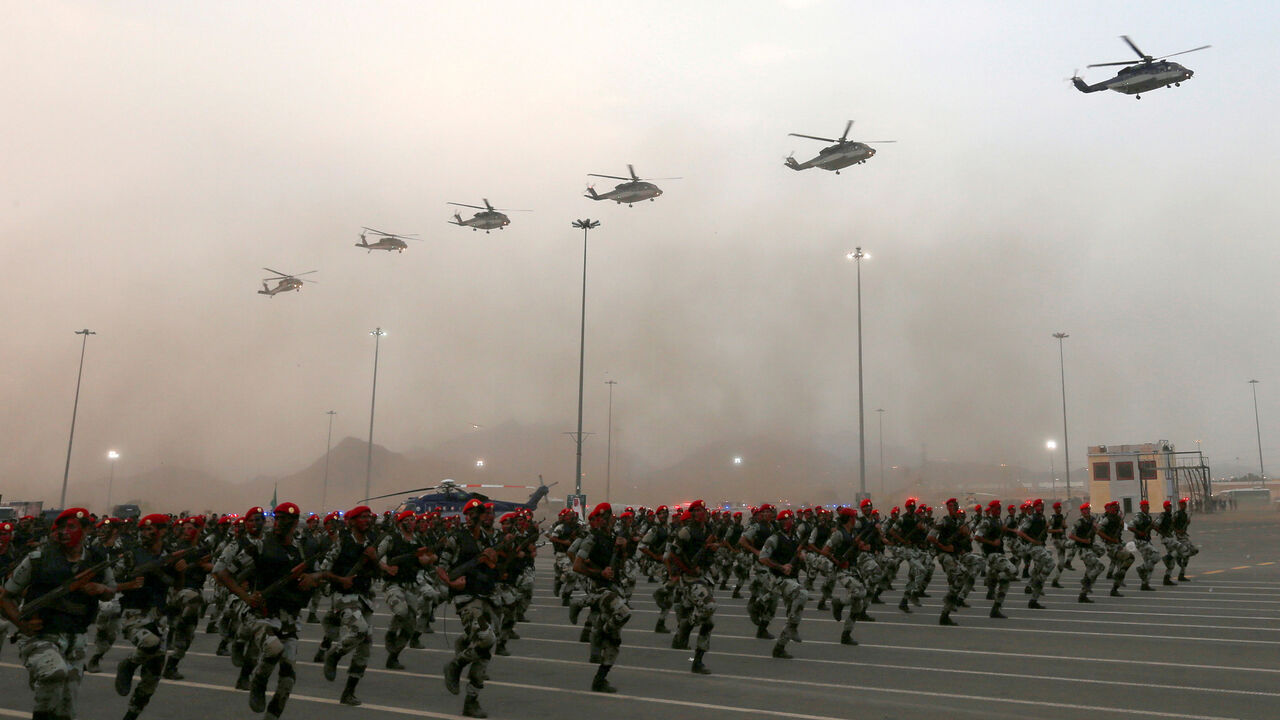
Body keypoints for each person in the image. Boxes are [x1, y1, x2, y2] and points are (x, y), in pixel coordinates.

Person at [0, 508, 114, 720]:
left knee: (66, 709)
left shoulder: (97, 560)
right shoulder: (38, 559)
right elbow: (6, 596)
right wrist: (21, 625)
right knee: (54, 672)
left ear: (86, 530)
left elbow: (111, 590)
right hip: (41, 635)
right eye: (61, 527)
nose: (64, 532)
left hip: (76, 639)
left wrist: (100, 589)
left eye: (71, 527)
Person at [234, 502, 324, 719]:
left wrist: (312, 578)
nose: (280, 523)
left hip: (290, 616)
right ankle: (258, 681)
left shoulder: (302, 548)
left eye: (286, 520)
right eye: (278, 518)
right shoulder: (262, 545)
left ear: (295, 524)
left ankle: (273, 715)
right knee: (273, 648)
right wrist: (246, 594)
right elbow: (231, 572)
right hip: (264, 611)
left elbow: (320, 573)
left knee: (288, 679)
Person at [319, 505, 386, 706]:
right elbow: (323, 570)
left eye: (369, 517)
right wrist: (340, 580)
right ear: (353, 521)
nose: (368, 520)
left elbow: (379, 573)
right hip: (344, 596)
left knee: (365, 648)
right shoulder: (342, 541)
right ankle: (334, 654)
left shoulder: (371, 543)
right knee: (360, 630)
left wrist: (374, 560)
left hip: (364, 597)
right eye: (363, 517)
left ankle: (349, 692)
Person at [115, 513, 179, 720]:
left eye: (151, 529)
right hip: (134, 614)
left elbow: (177, 585)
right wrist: (128, 585)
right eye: (143, 529)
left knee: (152, 677)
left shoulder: (171, 555)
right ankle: (129, 664)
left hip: (159, 617)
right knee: (150, 643)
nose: (146, 533)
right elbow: (110, 583)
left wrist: (181, 571)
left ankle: (131, 715)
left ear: (163, 531)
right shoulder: (132, 556)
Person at [442, 498, 500, 718]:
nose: (483, 516)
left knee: (485, 653)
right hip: (466, 599)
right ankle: (455, 665)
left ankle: (471, 701)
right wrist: (451, 583)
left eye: (484, 513)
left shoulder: (487, 539)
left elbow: (494, 567)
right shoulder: (456, 538)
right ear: (467, 516)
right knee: (486, 638)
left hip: (485, 595)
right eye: (476, 513)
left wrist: (493, 561)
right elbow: (441, 568)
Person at [573, 503, 632, 692]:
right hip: (599, 588)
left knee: (614, 642)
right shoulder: (592, 538)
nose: (611, 519)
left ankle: (600, 679)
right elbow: (577, 565)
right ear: (600, 519)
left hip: (613, 587)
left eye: (610, 516)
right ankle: (583, 604)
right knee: (623, 612)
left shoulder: (614, 538)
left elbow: (621, 566)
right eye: (607, 517)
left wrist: (623, 550)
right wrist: (600, 573)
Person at [377, 510, 435, 670]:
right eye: (407, 519)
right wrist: (386, 567)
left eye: (412, 519)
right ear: (400, 522)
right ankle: (390, 633)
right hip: (393, 584)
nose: (411, 522)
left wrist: (428, 560)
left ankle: (393, 656)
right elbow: (377, 555)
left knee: (410, 626)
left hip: (411, 585)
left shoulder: (417, 540)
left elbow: (425, 559)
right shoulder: (391, 539)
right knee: (401, 611)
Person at [667, 500, 717, 674]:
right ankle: (686, 626)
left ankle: (698, 661)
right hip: (689, 579)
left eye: (703, 509)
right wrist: (688, 569)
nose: (701, 513)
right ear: (693, 514)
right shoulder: (686, 531)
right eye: (697, 510)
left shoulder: (708, 530)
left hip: (703, 576)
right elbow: (674, 554)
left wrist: (712, 547)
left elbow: (710, 550)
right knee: (709, 606)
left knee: (708, 623)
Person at [757, 509, 806, 658]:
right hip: (779, 579)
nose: (786, 523)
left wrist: (801, 557)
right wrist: (780, 567)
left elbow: (796, 553)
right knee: (802, 594)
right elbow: (763, 558)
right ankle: (760, 602)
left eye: (788, 520)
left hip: (792, 578)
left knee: (794, 614)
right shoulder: (775, 538)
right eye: (783, 521)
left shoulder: (794, 538)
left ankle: (780, 647)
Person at [821, 506, 870, 644]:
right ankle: (839, 602)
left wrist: (862, 547)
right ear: (849, 519)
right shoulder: (839, 534)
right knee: (858, 592)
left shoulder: (853, 533)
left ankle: (846, 634)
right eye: (853, 518)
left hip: (854, 569)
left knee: (858, 605)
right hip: (842, 571)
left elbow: (856, 546)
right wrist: (836, 560)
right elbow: (825, 550)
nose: (855, 520)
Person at [929, 499, 970, 625]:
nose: (953, 508)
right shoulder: (944, 521)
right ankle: (947, 609)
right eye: (950, 506)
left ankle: (947, 610)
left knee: (961, 578)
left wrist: (965, 533)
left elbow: (967, 538)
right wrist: (943, 546)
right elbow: (930, 537)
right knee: (958, 576)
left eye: (955, 506)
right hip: (944, 555)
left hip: (955, 554)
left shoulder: (959, 522)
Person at [974, 501, 1015, 618]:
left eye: (1000, 509)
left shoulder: (998, 521)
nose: (999, 511)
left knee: (1005, 581)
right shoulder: (986, 521)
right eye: (997, 509)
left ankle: (996, 607)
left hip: (999, 553)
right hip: (991, 554)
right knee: (1012, 570)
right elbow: (977, 536)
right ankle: (991, 579)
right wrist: (991, 542)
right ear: (991, 510)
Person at [1014, 499, 1053, 609]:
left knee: (1038, 568)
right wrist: (1032, 541)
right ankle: (1037, 582)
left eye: (1042, 505)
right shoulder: (1031, 518)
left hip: (1040, 546)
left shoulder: (1042, 518)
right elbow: (1020, 532)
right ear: (1035, 507)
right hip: (1033, 547)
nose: (1041, 507)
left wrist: (1046, 528)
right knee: (1050, 563)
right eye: (1039, 506)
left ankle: (1033, 599)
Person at [1096, 502, 1134, 597]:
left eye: (1117, 508)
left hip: (1118, 544)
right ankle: (1117, 576)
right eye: (1114, 508)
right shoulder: (1106, 519)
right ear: (1110, 508)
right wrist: (1110, 539)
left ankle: (1115, 587)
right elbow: (1098, 531)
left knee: (1122, 564)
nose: (1116, 509)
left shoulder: (1117, 518)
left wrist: (1121, 524)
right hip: (1111, 546)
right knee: (1129, 558)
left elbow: (1124, 528)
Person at [1068, 503, 1104, 603]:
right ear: (1081, 511)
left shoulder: (1092, 520)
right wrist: (1083, 540)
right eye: (1085, 510)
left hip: (1090, 548)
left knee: (1090, 570)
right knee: (1100, 566)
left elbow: (1097, 530)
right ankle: (1086, 580)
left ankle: (1083, 595)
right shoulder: (1079, 522)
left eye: (1088, 509)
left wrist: (1096, 528)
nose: (1087, 511)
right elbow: (1071, 535)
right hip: (1083, 549)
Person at [1127, 500, 1160, 592]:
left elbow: (1152, 527)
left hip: (1146, 541)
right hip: (1141, 541)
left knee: (1149, 564)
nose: (1147, 508)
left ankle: (1145, 584)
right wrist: (1139, 532)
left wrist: (1154, 526)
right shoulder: (1139, 516)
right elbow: (1130, 526)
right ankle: (1141, 568)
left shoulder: (1147, 517)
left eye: (1148, 506)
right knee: (1156, 555)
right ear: (1141, 507)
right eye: (1145, 506)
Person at [1171, 497, 1199, 581]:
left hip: (1184, 536)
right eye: (1182, 504)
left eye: (1185, 504)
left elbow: (1185, 525)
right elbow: (1172, 524)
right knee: (1188, 552)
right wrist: (1177, 531)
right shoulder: (1177, 514)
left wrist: (1187, 523)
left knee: (1192, 552)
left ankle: (1179, 561)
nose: (1184, 506)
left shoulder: (1185, 515)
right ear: (1180, 505)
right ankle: (1177, 557)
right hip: (1179, 537)